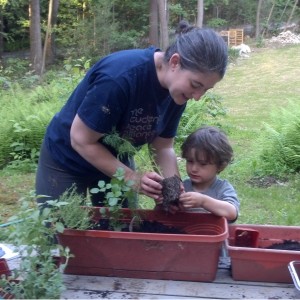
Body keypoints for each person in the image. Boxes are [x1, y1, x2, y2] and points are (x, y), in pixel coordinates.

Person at [35, 21, 228, 207]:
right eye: (196, 85)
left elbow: (162, 147)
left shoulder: (177, 92)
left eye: (205, 90)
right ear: (175, 62)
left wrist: (173, 189)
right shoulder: (120, 77)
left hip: (117, 159)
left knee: (122, 230)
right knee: (62, 231)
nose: (197, 96)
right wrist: (132, 178)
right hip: (67, 159)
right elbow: (81, 140)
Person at [179, 126, 240, 222]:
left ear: (220, 166)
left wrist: (203, 201)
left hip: (215, 235)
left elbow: (232, 212)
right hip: (186, 235)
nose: (194, 169)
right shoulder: (183, 186)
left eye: (203, 164)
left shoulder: (223, 188)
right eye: (190, 161)